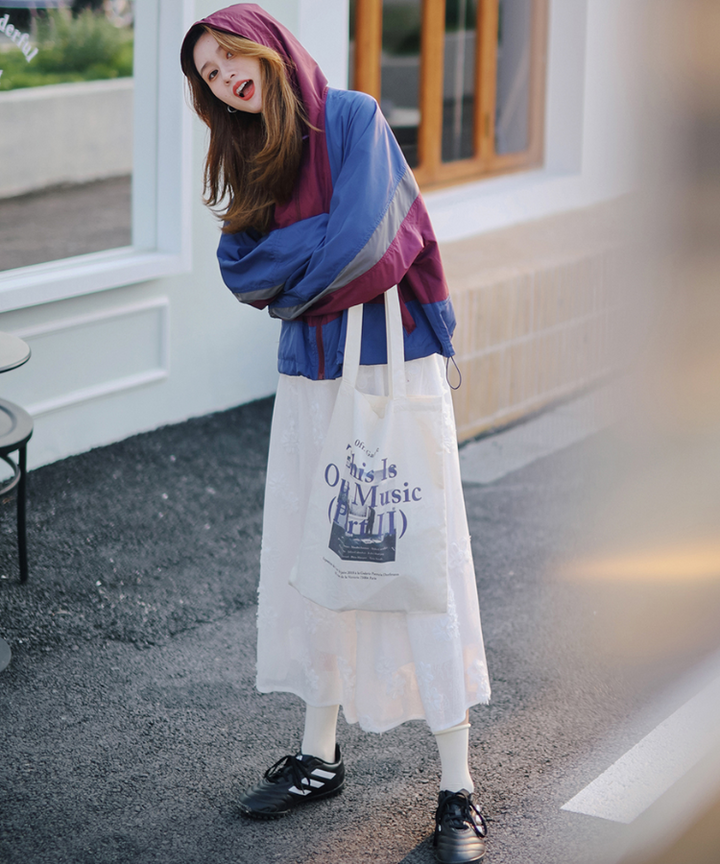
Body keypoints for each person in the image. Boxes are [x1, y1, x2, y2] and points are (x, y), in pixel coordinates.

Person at [180, 5, 491, 861]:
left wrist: (310, 249)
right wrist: (326, 243)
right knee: (314, 557)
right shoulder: (251, 152)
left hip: (393, 370)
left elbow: (374, 249)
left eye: (230, 57)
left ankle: (458, 789)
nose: (226, 79)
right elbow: (242, 269)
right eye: (209, 76)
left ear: (268, 48)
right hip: (311, 376)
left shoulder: (352, 117)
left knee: (421, 561)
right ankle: (319, 757)